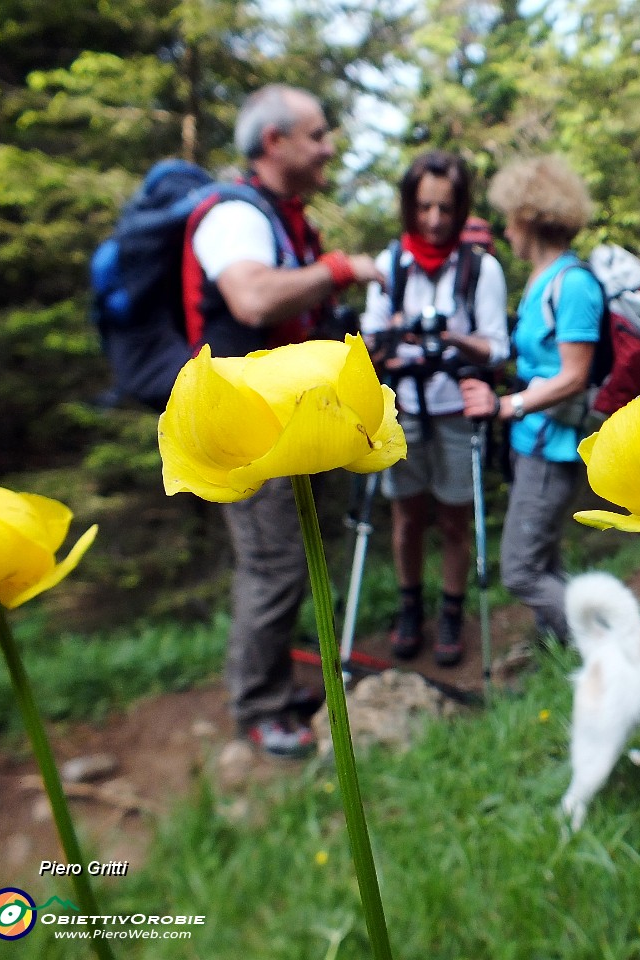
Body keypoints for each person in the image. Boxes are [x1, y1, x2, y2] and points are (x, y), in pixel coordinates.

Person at [183, 84, 385, 758]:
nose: (329, 148)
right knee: (272, 565)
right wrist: (339, 270)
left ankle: (270, 689)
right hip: (248, 426)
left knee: (287, 560)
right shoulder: (235, 215)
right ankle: (259, 707)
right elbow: (252, 297)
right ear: (274, 142)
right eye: (318, 134)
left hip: (280, 420)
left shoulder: (276, 215)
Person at [360, 152, 509, 666]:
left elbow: (497, 346)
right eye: (423, 207)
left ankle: (450, 611)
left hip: (454, 409)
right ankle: (409, 607)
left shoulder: (479, 268)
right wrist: (395, 336)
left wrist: (449, 338)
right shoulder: (390, 264)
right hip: (403, 411)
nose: (434, 220)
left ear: (461, 207)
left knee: (453, 519)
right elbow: (367, 343)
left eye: (445, 208)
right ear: (408, 206)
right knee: (406, 516)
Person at [460, 155, 602, 645]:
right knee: (545, 560)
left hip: (552, 445)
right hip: (532, 441)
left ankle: (605, 642)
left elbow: (574, 376)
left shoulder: (573, 284)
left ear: (526, 218)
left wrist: (506, 406)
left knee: (520, 571)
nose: (505, 230)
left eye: (508, 218)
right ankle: (561, 650)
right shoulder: (543, 282)